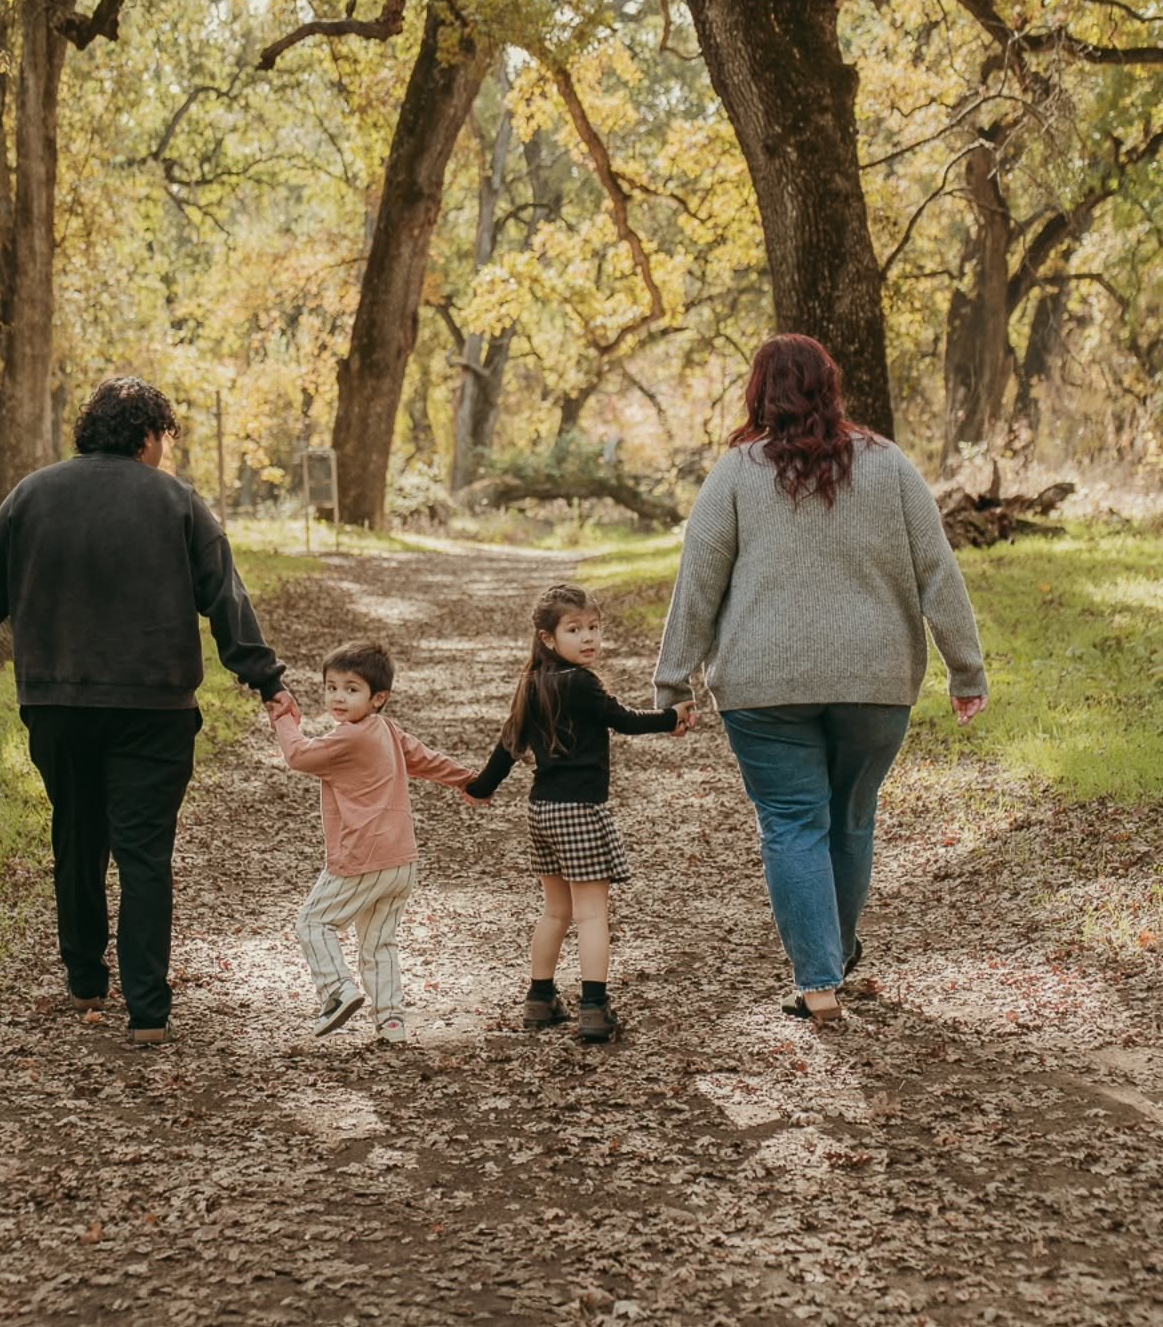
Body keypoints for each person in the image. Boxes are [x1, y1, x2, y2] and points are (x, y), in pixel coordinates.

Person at [0, 375, 295, 1047]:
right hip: (155, 706)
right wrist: (265, 680)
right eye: (163, 439)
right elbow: (224, 597)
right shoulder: (179, 502)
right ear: (149, 436)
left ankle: (86, 979)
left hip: (57, 702)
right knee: (144, 853)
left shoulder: (32, 494)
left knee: (77, 836)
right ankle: (147, 1010)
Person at [653, 334, 988, 1024]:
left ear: (760, 392)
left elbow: (698, 581)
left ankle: (820, 982)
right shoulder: (889, 465)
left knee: (792, 824)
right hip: (875, 681)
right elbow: (938, 570)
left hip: (764, 686)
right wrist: (965, 668)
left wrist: (673, 683)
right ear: (830, 388)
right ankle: (831, 958)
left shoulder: (737, 472)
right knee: (850, 820)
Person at [466, 584, 692, 1044]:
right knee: (591, 916)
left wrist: (482, 787)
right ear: (549, 638)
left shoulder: (532, 684)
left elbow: (508, 746)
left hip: (542, 812)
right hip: (580, 813)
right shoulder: (581, 683)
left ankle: (540, 997)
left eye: (594, 628)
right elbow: (624, 719)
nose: (588, 638)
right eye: (575, 630)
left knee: (556, 913)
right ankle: (594, 1007)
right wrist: (671, 718)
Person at [267, 641, 476, 1045]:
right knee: (379, 941)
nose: (338, 697)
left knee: (313, 922)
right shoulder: (387, 730)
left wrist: (283, 715)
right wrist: (468, 779)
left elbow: (297, 755)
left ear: (378, 697)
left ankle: (337, 991)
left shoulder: (349, 738)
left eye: (351, 688)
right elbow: (425, 760)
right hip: (401, 859)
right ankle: (391, 1021)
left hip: (363, 856)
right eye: (331, 687)